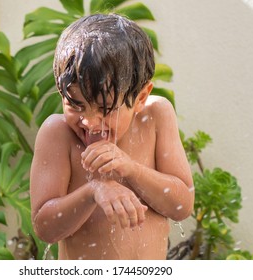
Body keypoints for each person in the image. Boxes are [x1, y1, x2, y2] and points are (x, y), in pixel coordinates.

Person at [30, 13, 194, 260]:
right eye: (76, 105)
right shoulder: (58, 134)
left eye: (106, 109)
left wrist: (132, 169)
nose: (90, 122)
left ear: (140, 98)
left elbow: (182, 206)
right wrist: (93, 191)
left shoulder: (155, 117)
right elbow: (45, 228)